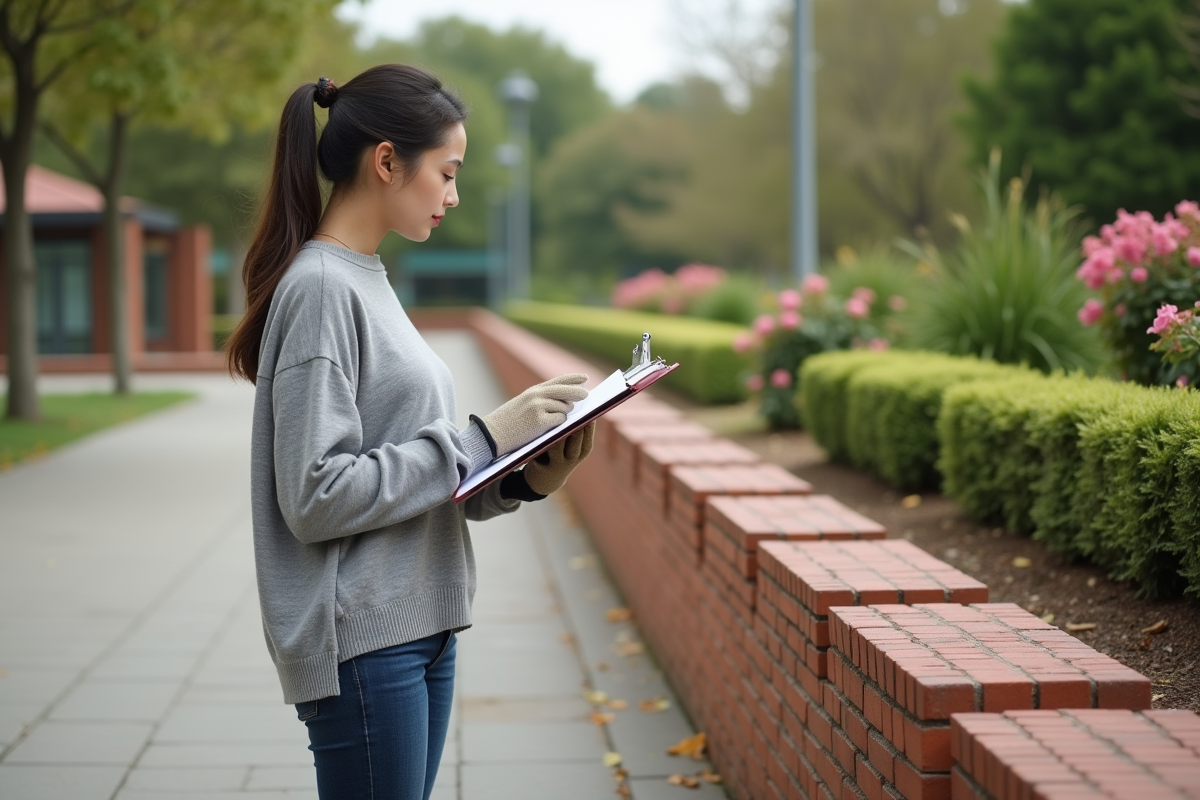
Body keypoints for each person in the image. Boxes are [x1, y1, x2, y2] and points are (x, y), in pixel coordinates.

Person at [224, 64, 596, 800]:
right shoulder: (322, 289)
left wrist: (524, 476)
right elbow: (317, 495)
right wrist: (484, 436)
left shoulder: (366, 277)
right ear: (387, 160)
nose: (455, 195)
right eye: (448, 172)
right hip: (364, 641)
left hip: (417, 625)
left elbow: (412, 466)